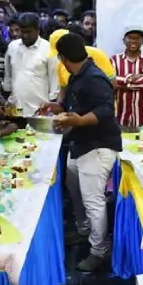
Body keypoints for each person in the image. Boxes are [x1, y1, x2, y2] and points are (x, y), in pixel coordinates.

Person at [37, 33, 122, 272]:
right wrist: (57, 107)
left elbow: (106, 110)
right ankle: (85, 231)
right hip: (80, 144)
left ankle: (99, 250)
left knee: (93, 200)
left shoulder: (94, 78)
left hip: (98, 145)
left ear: (63, 57)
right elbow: (73, 106)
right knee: (73, 185)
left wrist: (80, 120)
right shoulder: (78, 76)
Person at [4, 13, 58, 115]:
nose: (25, 35)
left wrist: (51, 106)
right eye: (22, 32)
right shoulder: (12, 47)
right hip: (15, 109)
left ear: (38, 30)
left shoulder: (48, 49)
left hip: (40, 111)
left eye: (29, 32)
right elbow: (8, 77)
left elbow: (54, 82)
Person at [111, 26, 143, 130]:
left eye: (137, 38)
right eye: (130, 37)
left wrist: (122, 81)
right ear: (124, 40)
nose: (133, 41)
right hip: (121, 118)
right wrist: (131, 78)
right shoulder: (114, 60)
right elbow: (112, 81)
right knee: (121, 146)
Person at [48, 29, 115, 92]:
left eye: (61, 55)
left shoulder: (97, 55)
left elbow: (113, 83)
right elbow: (64, 90)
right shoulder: (61, 65)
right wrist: (59, 104)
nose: (61, 59)